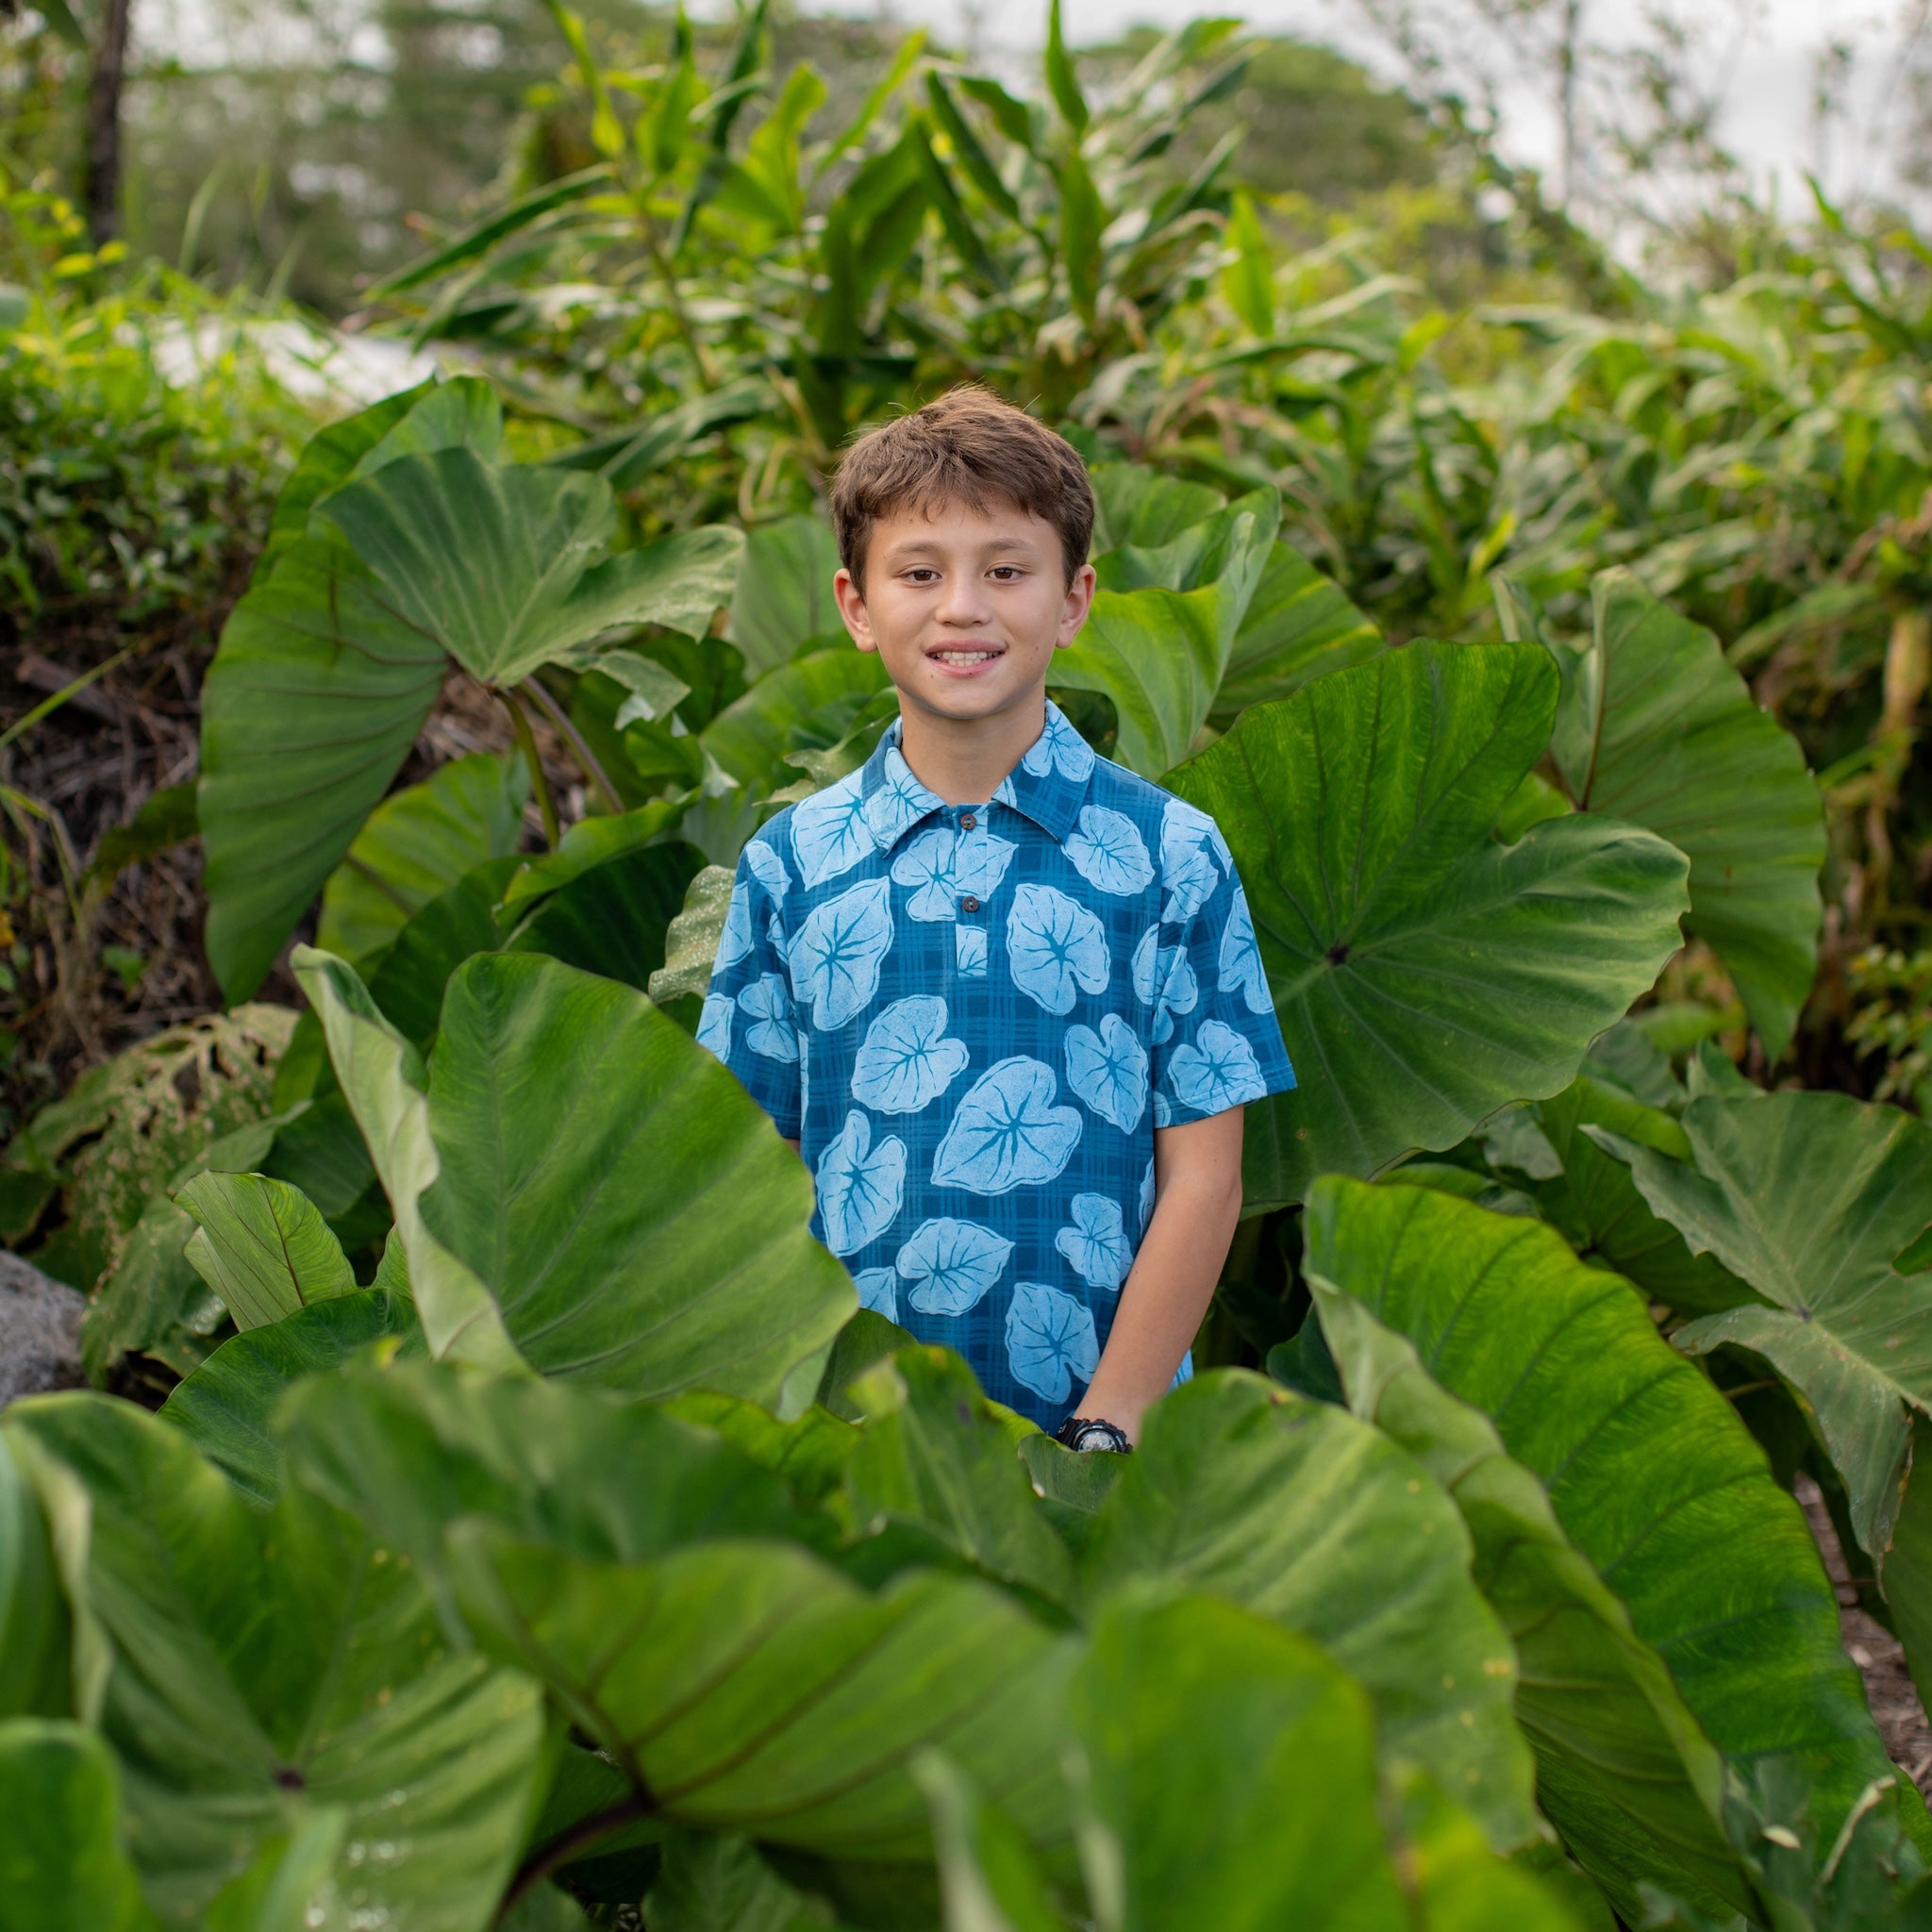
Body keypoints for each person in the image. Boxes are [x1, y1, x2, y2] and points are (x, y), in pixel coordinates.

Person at [699, 388, 1294, 1450]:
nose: (961, 606)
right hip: (845, 1433)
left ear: (1072, 601)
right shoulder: (789, 864)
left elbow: (1204, 1174)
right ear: (854, 603)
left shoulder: (1169, 855)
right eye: (919, 572)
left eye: (1006, 570)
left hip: (1103, 1428)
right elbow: (754, 1172)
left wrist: (1110, 1420)